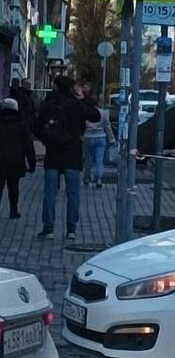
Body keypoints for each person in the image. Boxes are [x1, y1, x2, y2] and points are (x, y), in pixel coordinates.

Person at [35, 74, 100, 241]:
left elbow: (35, 128)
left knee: (50, 192)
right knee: (73, 194)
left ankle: (48, 228)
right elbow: (95, 116)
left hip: (53, 155)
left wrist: (47, 140)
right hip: (72, 154)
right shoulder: (76, 105)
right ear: (72, 88)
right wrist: (84, 99)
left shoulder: (48, 105)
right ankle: (71, 229)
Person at [0, 97, 35, 219]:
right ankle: (13, 211)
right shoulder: (22, 124)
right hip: (15, 160)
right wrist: (32, 164)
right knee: (13, 186)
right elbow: (28, 146)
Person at [81, 84, 113, 188]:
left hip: (88, 137)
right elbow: (107, 126)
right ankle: (98, 179)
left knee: (88, 159)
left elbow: (82, 125)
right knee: (99, 159)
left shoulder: (86, 112)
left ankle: (86, 177)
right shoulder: (103, 113)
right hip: (101, 137)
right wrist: (111, 139)